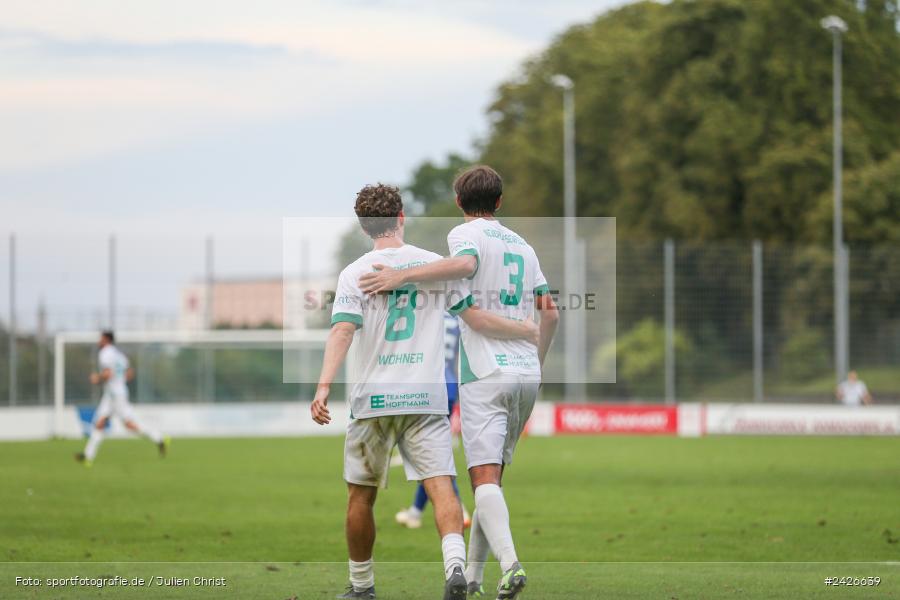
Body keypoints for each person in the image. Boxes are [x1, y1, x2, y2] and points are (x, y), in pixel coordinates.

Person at [310, 183, 539, 600]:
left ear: (365, 227)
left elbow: (343, 330)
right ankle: (453, 566)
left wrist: (323, 386)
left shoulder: (354, 273)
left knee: (360, 497)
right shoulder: (435, 264)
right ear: (401, 218)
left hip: (372, 400)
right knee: (442, 487)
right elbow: (474, 317)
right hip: (427, 399)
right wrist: (524, 330)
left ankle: (361, 587)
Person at [360, 165, 559, 600]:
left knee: (483, 480)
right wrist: (536, 360)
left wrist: (401, 275)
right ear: (500, 201)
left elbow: (467, 267)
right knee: (491, 484)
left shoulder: (464, 236)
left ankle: (511, 566)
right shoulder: (524, 245)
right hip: (527, 374)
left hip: (485, 372)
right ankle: (472, 580)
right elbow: (551, 312)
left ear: (458, 203)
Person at [395, 313, 471, 530]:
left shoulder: (428, 312)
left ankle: (458, 508)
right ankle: (415, 512)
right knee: (432, 452)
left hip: (428, 387)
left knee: (429, 455)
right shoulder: (456, 317)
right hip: (449, 386)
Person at [75, 331, 169, 467]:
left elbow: (108, 373)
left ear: (106, 339)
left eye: (100, 339)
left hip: (115, 394)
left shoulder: (105, 353)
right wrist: (119, 381)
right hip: (114, 392)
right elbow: (130, 373)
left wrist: (97, 378)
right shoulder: (119, 355)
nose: (98, 341)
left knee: (129, 424)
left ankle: (159, 438)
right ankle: (88, 456)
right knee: (99, 422)